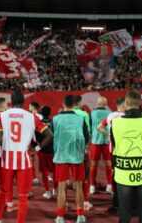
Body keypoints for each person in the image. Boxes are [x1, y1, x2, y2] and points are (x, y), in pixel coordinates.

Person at [0, 91, 53, 223]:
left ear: (11, 101)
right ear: (23, 102)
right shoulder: (32, 117)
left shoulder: (2, 116)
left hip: (7, 160)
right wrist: (36, 148)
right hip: (24, 160)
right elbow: (49, 135)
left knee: (2, 192)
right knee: (22, 196)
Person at [111, 91, 142, 223]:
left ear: (126, 103)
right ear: (140, 103)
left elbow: (115, 143)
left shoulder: (116, 123)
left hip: (123, 172)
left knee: (125, 212)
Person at [53, 95, 89, 223]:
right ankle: (80, 216)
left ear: (63, 104)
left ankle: (60, 217)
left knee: (61, 187)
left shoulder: (55, 119)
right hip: (77, 156)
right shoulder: (80, 118)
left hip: (61, 156)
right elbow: (86, 137)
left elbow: (52, 136)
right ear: (74, 104)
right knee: (78, 186)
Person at [97, 97, 125, 214]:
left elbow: (99, 127)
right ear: (124, 105)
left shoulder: (110, 116)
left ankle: (116, 202)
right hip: (126, 149)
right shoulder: (126, 116)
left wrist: (109, 134)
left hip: (113, 150)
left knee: (115, 175)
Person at [73, 95, 92, 211]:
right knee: (85, 175)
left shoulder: (64, 115)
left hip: (67, 150)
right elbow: (88, 132)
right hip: (81, 149)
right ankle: (85, 201)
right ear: (79, 103)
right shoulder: (84, 114)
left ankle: (63, 205)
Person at [89, 97, 112, 194]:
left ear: (97, 103)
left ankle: (92, 186)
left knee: (93, 164)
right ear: (106, 104)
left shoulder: (92, 113)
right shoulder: (110, 113)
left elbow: (90, 128)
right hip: (107, 141)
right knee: (108, 164)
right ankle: (109, 186)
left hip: (96, 141)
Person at [36, 105, 57, 199]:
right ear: (50, 113)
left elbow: (36, 137)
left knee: (44, 172)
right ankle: (55, 190)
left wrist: (36, 147)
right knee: (55, 172)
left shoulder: (39, 123)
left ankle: (47, 192)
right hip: (53, 150)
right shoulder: (54, 122)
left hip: (43, 150)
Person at [29, 101, 42, 186]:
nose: (28, 108)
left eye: (29, 106)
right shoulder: (41, 116)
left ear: (32, 107)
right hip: (41, 141)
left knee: (32, 160)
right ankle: (46, 176)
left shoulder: (30, 116)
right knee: (41, 158)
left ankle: (34, 177)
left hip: (33, 140)